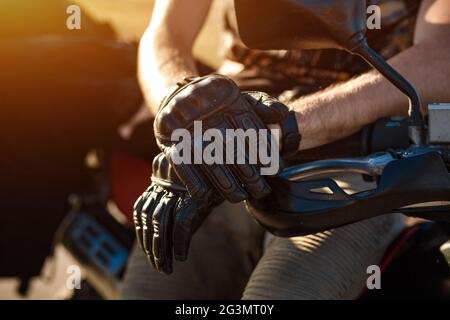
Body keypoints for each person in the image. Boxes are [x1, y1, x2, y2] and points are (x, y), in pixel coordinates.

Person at [120, 0, 450, 299]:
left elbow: (441, 54)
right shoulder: (215, 134)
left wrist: (279, 130)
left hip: (359, 164)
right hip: (225, 138)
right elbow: (166, 31)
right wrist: (181, 109)